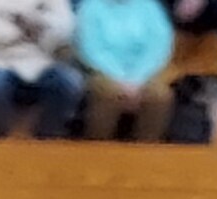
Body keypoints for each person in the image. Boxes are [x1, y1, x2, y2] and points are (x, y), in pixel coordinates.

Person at [0, 0, 84, 139]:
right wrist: (33, 28)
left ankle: (47, 141)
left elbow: (65, 28)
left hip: (41, 64)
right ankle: (3, 139)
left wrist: (17, 22)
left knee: (70, 81)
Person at [75, 0, 175, 142]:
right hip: (102, 71)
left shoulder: (150, 7)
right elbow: (91, 49)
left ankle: (146, 150)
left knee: (160, 96)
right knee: (108, 93)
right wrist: (120, 78)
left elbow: (159, 46)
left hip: (144, 74)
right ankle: (97, 148)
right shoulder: (90, 7)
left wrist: (136, 78)